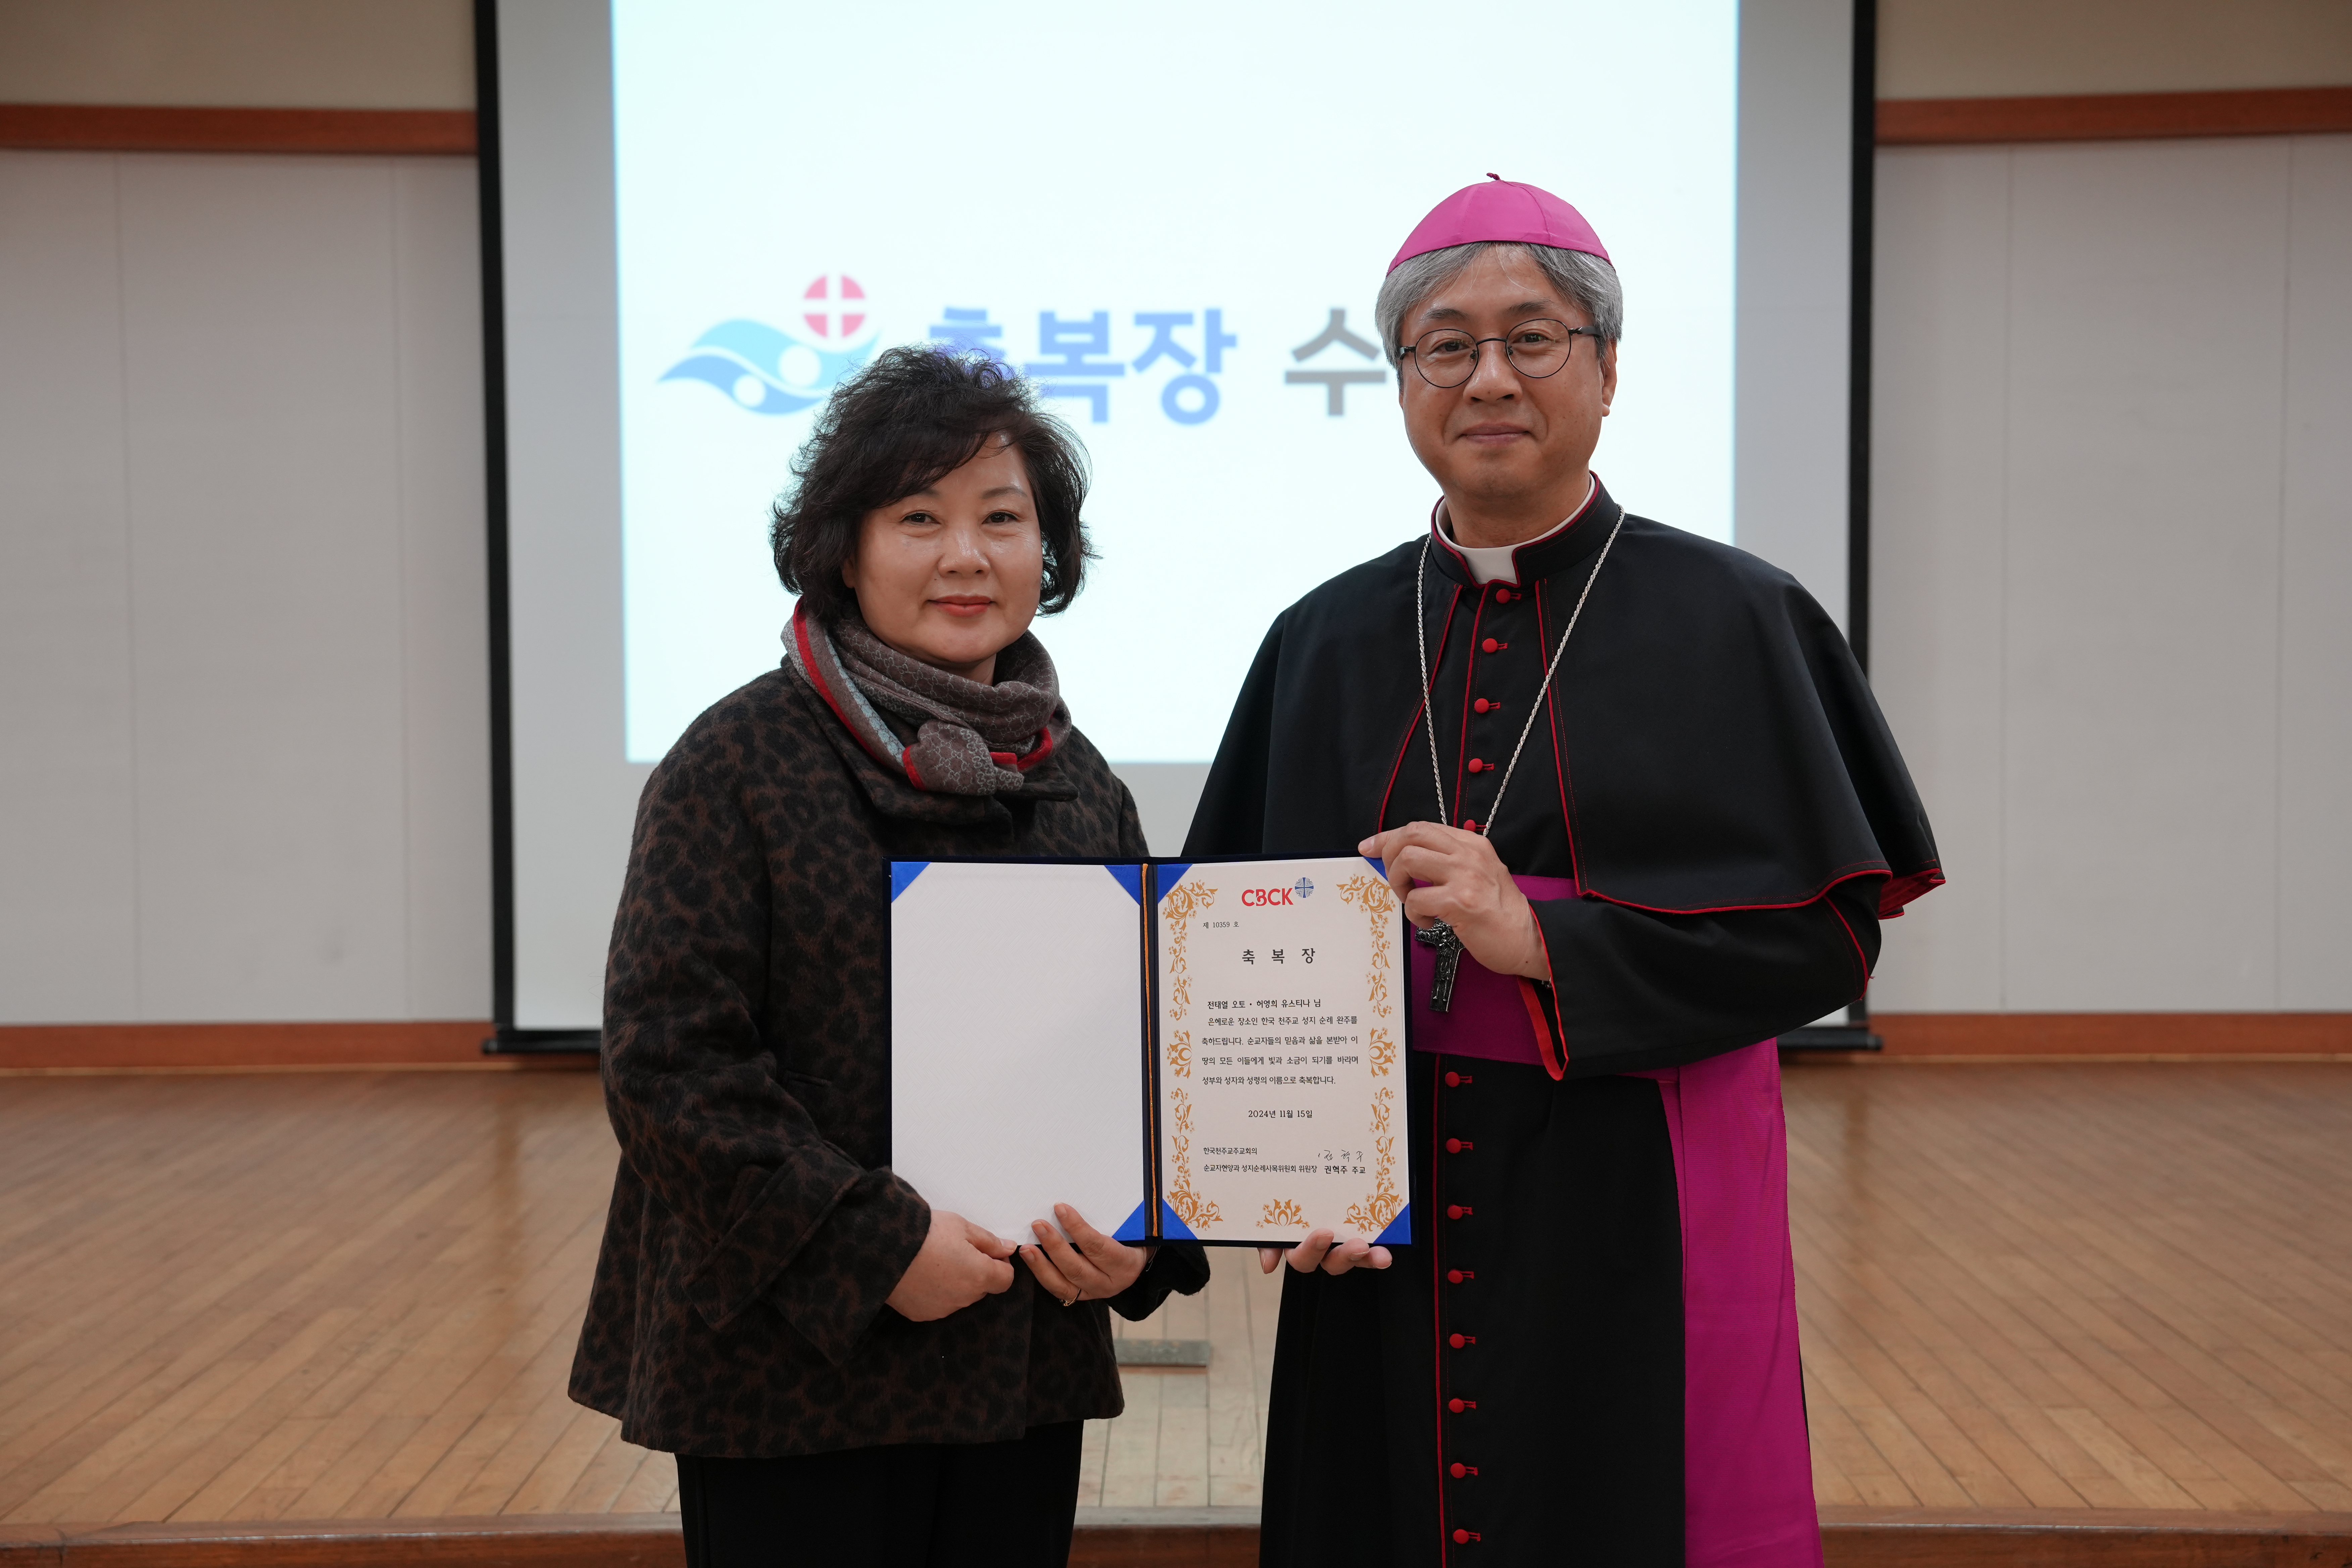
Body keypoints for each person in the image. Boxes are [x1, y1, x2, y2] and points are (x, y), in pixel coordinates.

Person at [1183, 178, 1944, 1566]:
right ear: (1402, 379)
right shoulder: (1322, 636)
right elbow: (1222, 944)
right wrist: (1286, 1184)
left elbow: (1831, 944)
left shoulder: (1738, 616)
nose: (1487, 376)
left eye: (1532, 338)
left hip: (1629, 1184)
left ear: (1605, 369)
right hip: (1384, 1204)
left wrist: (1535, 939)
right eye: (1443, 343)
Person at [569, 346, 1209, 1568]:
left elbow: (1146, 1057)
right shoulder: (738, 759)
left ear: (1048, 554)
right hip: (791, 1368)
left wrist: (1147, 1241)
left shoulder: (1077, 782)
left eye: (1003, 519)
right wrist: (875, 1247)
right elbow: (669, 1065)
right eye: (920, 517)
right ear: (843, 548)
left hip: (1019, 1364)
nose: (966, 555)